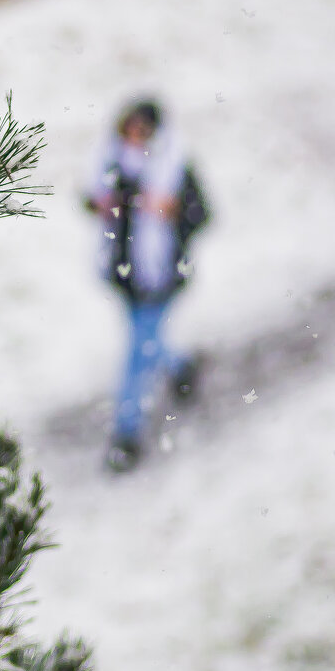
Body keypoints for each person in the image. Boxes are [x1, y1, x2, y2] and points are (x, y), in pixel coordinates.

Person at [86, 98, 202, 472]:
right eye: (130, 129)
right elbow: (91, 198)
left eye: (143, 129)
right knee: (147, 341)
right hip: (125, 274)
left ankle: (126, 435)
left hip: (161, 275)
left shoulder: (175, 167)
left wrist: (172, 210)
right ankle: (180, 366)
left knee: (137, 354)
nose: (135, 136)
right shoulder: (112, 162)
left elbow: (201, 212)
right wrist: (98, 205)